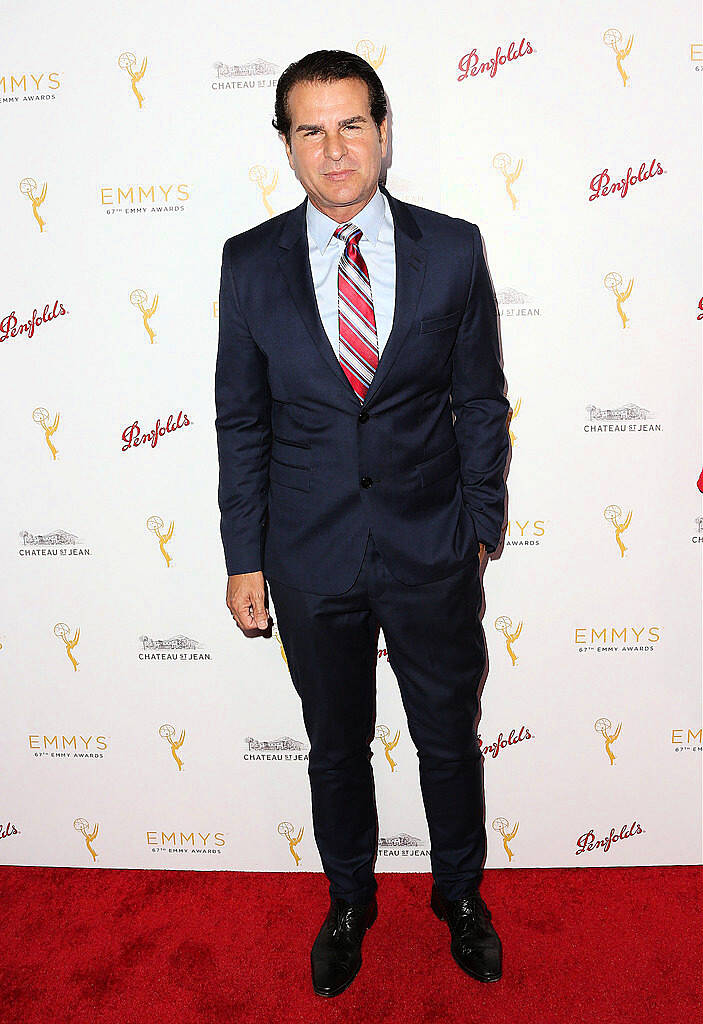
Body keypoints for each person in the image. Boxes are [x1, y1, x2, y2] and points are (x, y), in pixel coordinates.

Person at [215, 48, 510, 998]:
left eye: (352, 125)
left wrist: (480, 524)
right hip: (308, 556)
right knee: (334, 744)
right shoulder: (248, 261)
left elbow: (480, 400)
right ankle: (349, 903)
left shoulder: (453, 246)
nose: (335, 150)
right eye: (312, 130)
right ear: (286, 146)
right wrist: (243, 557)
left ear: (384, 132)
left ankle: (460, 896)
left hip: (430, 548)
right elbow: (241, 420)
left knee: (446, 738)